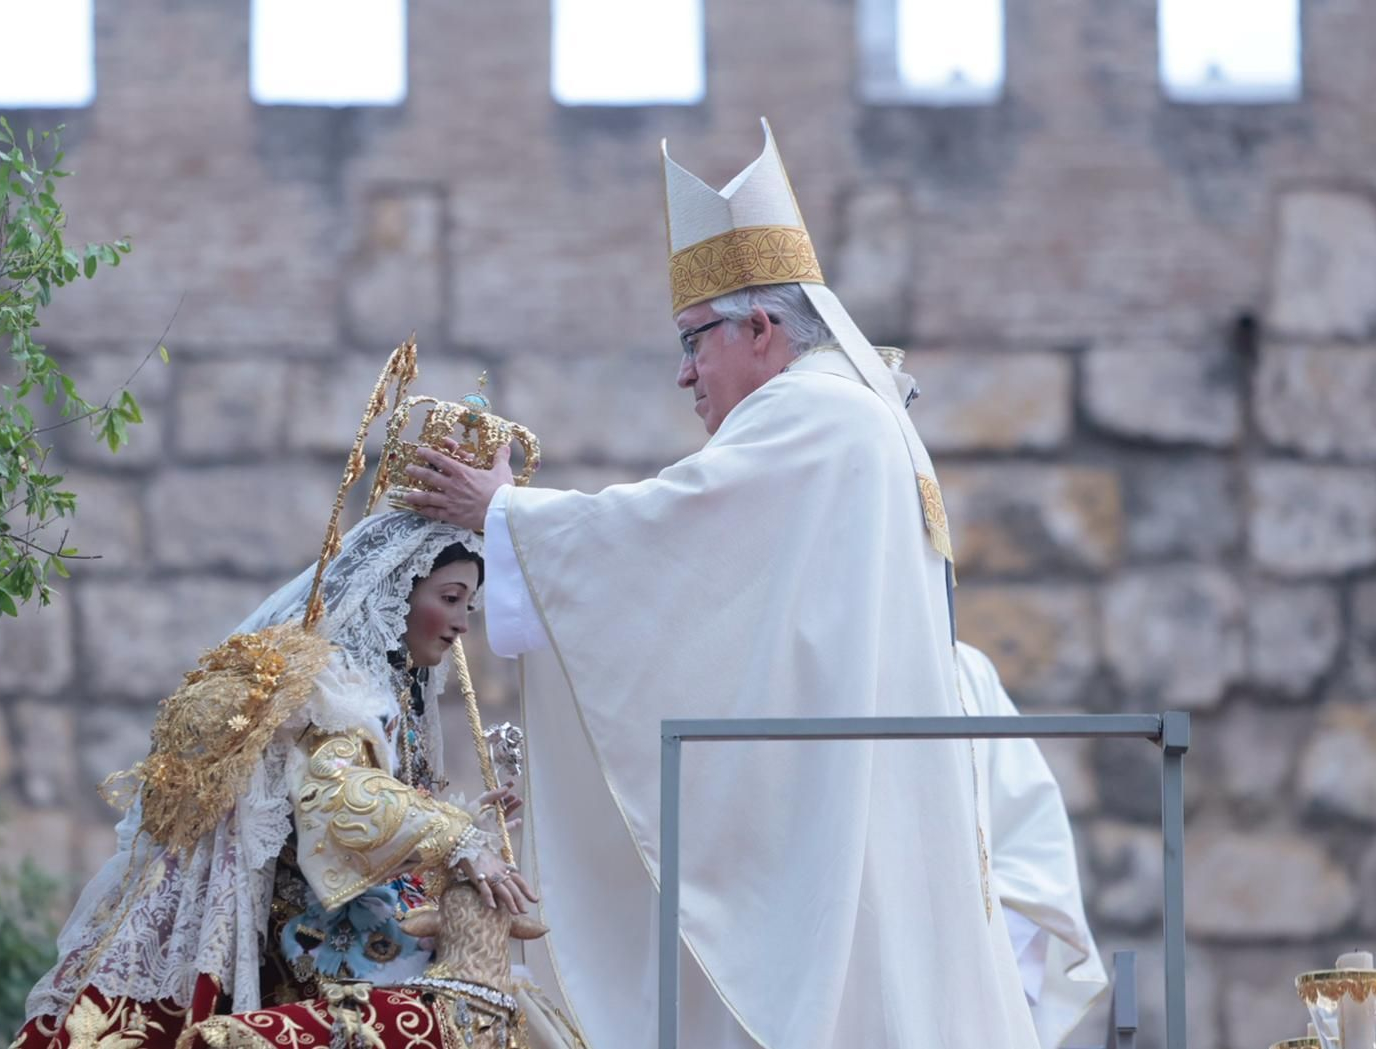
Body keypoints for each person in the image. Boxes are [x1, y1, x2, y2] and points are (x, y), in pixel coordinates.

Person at [405, 119, 1040, 1047]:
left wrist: (506, 515)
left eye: (695, 339)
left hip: (842, 808)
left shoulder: (813, 413)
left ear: (759, 326)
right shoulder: (852, 414)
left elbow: (671, 535)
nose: (683, 372)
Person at [10, 511, 534, 1049]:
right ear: (397, 591)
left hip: (362, 915)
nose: (462, 624)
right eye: (449, 599)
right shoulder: (337, 686)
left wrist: (466, 822)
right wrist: (458, 840)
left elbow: (386, 803)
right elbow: (334, 794)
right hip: (318, 934)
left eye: (468, 606)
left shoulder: (388, 693)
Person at [958, 641, 1109, 1047]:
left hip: (958, 988)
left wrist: (963, 956)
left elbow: (1035, 858)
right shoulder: (781, 652)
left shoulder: (963, 674)